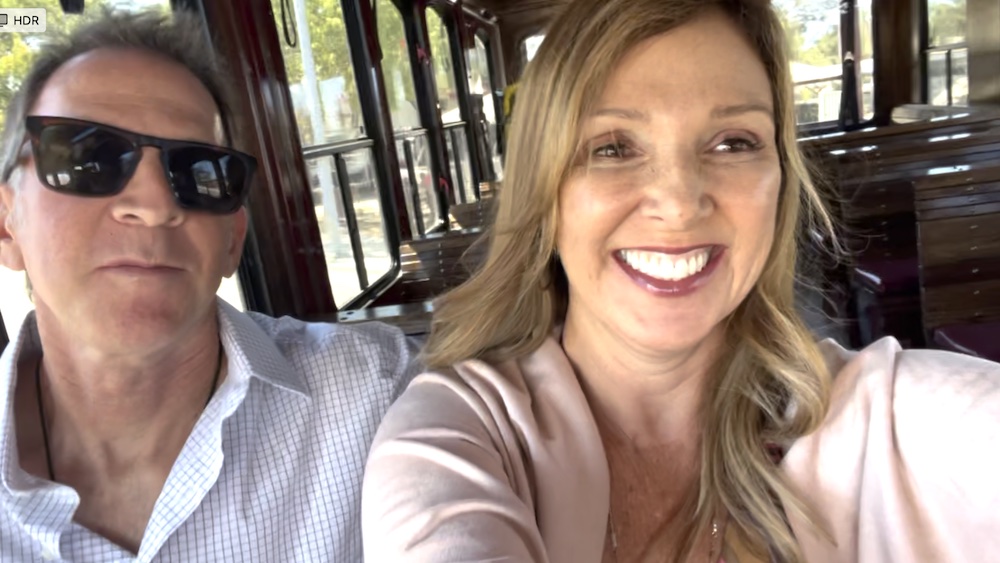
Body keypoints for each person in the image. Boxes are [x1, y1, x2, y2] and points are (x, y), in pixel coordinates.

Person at [361, 0, 1000, 561]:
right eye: (612, 147)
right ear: (545, 192)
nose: (680, 202)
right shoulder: (460, 437)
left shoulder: (885, 418)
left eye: (732, 143)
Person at [0, 9, 417, 562]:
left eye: (200, 173)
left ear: (232, 240)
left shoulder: (383, 397)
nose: (153, 207)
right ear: (8, 224)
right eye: (87, 160)